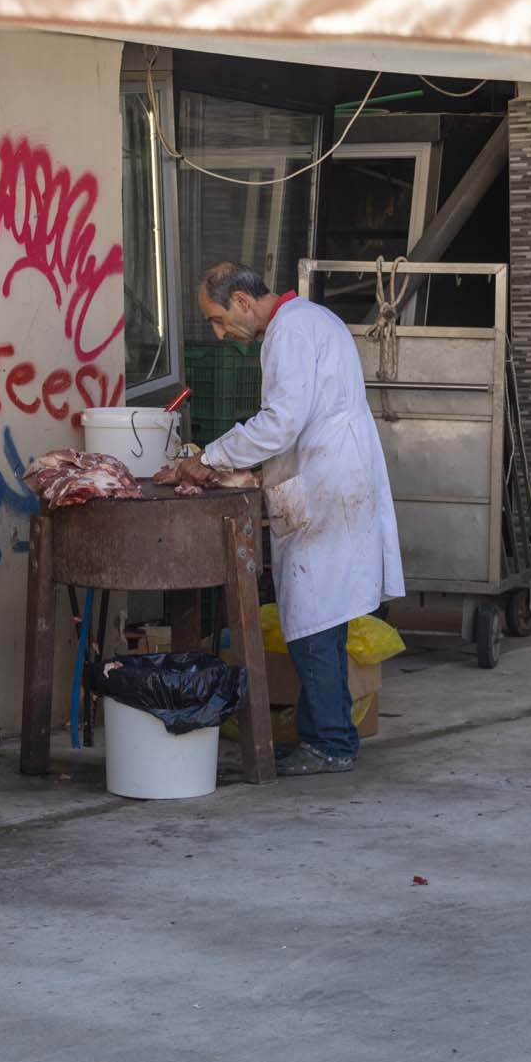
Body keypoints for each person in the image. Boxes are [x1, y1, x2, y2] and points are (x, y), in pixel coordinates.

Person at [167, 261, 404, 776]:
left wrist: (209, 458)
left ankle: (330, 743)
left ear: (243, 303)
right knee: (324, 614)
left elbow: (280, 423)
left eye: (216, 318)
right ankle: (332, 734)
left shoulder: (290, 331)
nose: (218, 331)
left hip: (325, 483)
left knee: (313, 617)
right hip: (332, 476)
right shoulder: (314, 320)